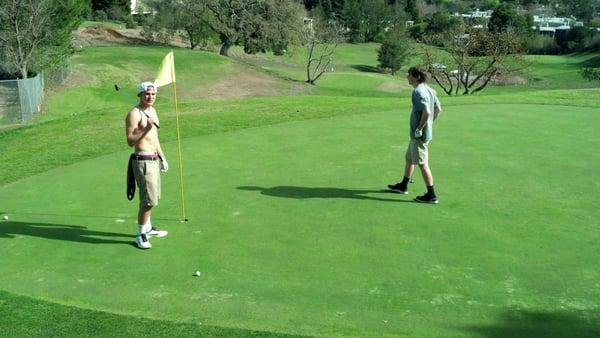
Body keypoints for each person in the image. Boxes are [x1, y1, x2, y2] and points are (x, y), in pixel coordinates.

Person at [388, 66, 442, 204]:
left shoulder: (418, 92)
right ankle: (403, 185)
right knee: (409, 159)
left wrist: (420, 128)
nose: (407, 77)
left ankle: (431, 195)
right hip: (419, 134)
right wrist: (429, 124)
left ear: (417, 76)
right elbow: (438, 109)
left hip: (419, 136)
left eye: (409, 75)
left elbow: (427, 112)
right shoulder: (429, 89)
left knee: (423, 164)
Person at [125, 82, 169, 249]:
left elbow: (154, 138)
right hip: (142, 161)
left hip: (154, 159)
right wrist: (146, 127)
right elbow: (130, 140)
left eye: (153, 94)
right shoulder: (134, 114)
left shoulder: (152, 111)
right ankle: (140, 234)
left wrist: (162, 157)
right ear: (140, 95)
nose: (150, 97)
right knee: (148, 201)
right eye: (147, 94)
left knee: (153, 197)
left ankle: (148, 228)